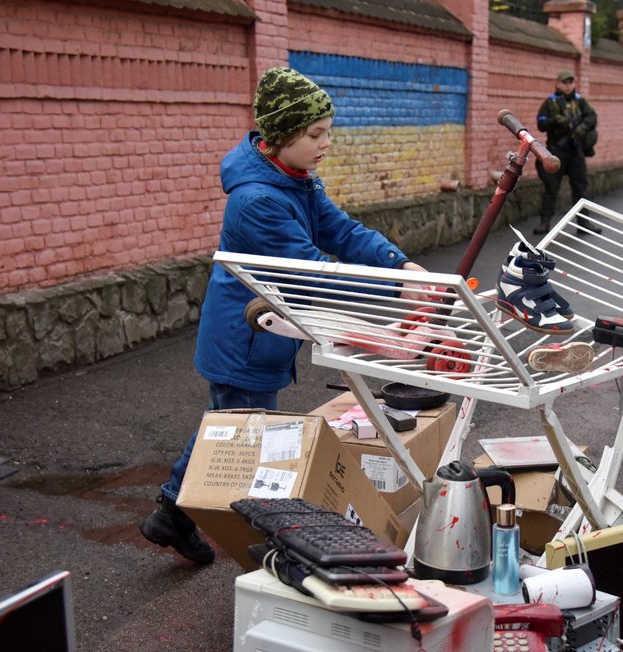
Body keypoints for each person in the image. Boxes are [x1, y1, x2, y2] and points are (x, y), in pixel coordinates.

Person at [139, 67, 430, 564]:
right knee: (242, 437)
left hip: (260, 336)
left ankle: (171, 514)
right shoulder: (257, 202)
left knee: (227, 426)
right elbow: (311, 273)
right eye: (316, 134)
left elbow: (340, 230)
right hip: (246, 338)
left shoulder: (295, 179)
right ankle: (199, 518)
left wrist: (398, 263)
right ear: (279, 137)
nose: (327, 143)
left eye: (327, 132)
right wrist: (395, 287)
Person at [534, 70, 600, 235]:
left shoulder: (580, 101)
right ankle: (545, 222)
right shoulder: (551, 102)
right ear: (557, 83)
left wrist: (581, 129)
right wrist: (556, 121)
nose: (568, 85)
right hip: (557, 150)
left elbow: (592, 117)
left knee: (580, 187)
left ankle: (583, 222)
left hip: (575, 152)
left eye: (571, 82)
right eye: (565, 82)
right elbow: (541, 124)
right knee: (551, 188)